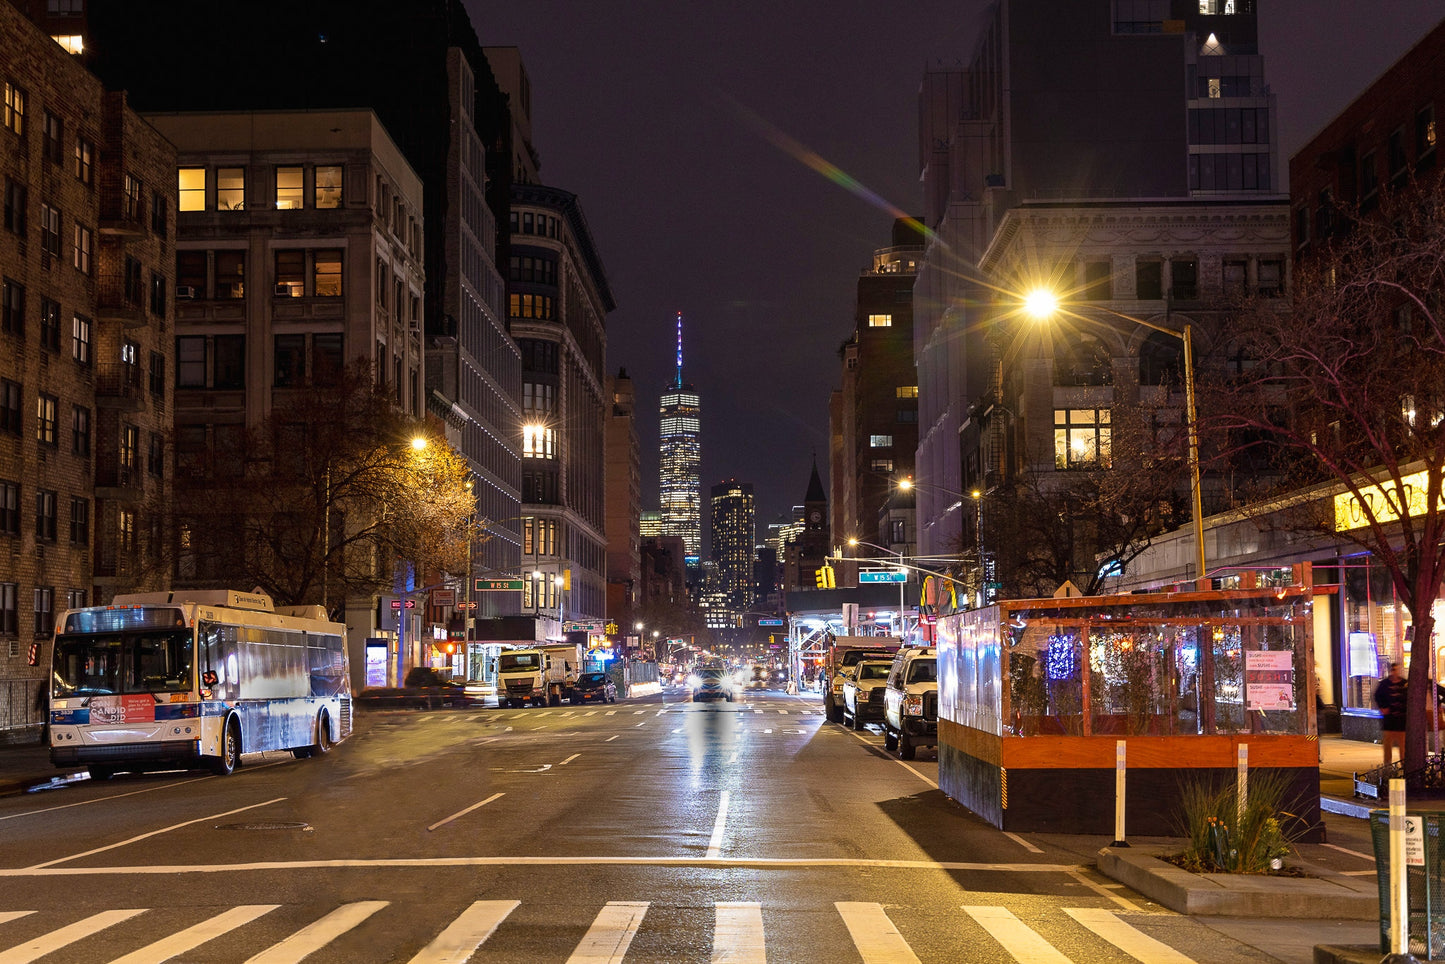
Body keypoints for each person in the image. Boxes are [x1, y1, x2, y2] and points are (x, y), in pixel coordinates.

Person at [1374, 662, 1407, 767]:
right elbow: (1377, 696)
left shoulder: (1405, 684)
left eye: (1396, 670)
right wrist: (1382, 707)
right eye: (1393, 670)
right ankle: (1387, 766)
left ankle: (1404, 764)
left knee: (1403, 745)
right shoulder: (1384, 684)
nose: (1395, 672)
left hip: (1401, 720)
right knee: (1388, 745)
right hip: (1389, 720)